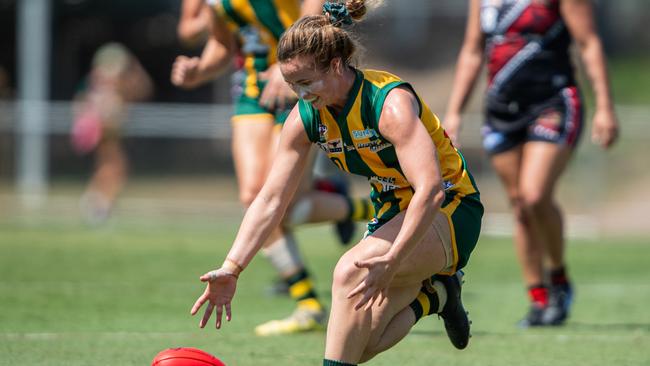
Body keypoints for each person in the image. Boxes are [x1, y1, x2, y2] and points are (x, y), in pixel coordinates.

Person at [189, 1, 484, 364]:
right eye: (292, 85)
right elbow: (269, 199)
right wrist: (232, 268)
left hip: (451, 208)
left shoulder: (389, 104)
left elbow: (431, 189)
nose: (301, 95)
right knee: (359, 344)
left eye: (306, 82)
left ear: (335, 65)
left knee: (348, 271)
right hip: (394, 212)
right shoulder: (306, 116)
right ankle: (437, 295)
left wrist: (392, 259)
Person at [172, 0, 373, 336]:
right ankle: (308, 303)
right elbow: (223, 46)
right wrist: (199, 70)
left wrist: (292, 71)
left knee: (283, 205)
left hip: (301, 84)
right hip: (252, 90)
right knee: (255, 198)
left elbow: (316, 19)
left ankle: (377, 208)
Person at [443, 0, 619, 327]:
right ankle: (538, 297)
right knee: (520, 204)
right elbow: (472, 51)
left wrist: (605, 106)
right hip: (501, 109)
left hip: (553, 102)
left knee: (535, 194)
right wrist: (454, 111)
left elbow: (588, 42)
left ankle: (560, 280)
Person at [72, 43, 153, 225]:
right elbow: (143, 88)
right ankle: (97, 204)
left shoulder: (98, 82)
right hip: (105, 129)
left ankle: (98, 202)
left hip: (108, 129)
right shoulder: (108, 82)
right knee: (114, 167)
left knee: (111, 167)